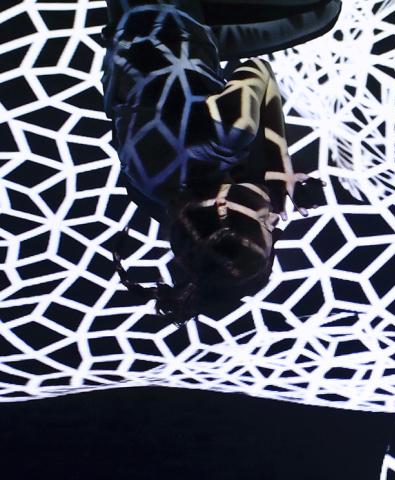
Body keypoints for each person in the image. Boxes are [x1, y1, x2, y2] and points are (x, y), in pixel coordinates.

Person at [103, 0, 329, 323]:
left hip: (177, 13)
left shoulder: (228, 134)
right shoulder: (150, 188)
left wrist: (280, 163)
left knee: (322, 9)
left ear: (222, 208)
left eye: (265, 224)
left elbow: (258, 69)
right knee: (316, 17)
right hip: (145, 26)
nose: (275, 218)